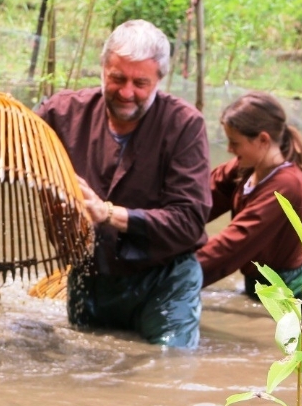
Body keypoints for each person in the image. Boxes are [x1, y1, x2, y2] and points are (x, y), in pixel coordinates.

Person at [37, 19, 211, 349]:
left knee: (169, 363)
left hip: (164, 279)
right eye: (117, 78)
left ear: (159, 80)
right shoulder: (63, 113)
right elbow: (12, 150)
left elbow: (189, 221)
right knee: (82, 363)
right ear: (103, 70)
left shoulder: (184, 125)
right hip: (92, 274)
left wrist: (107, 214)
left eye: (140, 83)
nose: (127, 92)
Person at [196, 92, 302, 300]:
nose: (229, 149)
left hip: (289, 296)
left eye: (234, 143)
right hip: (258, 286)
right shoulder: (246, 167)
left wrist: (175, 273)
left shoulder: (288, 185)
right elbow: (199, 199)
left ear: (262, 140)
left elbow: (234, 244)